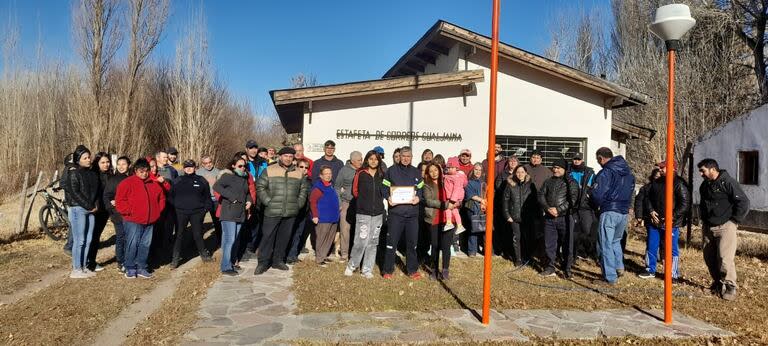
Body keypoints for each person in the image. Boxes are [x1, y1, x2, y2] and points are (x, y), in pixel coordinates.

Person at [698, 158, 750, 300]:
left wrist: (734, 221)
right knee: (709, 257)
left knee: (725, 258)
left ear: (713, 169)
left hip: (726, 226)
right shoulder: (705, 186)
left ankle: (730, 286)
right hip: (708, 226)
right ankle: (717, 284)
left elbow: (743, 202)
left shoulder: (728, 182)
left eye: (703, 171)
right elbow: (703, 204)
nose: (701, 174)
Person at [254, 147, 309, 275]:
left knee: (284, 237)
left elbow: (304, 190)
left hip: (290, 211)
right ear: (280, 157)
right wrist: (268, 202)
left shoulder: (298, 172)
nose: (288, 158)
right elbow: (260, 186)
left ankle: (277, 261)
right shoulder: (270, 170)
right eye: (286, 156)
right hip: (272, 211)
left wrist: (298, 204)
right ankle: (263, 262)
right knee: (267, 237)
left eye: (290, 156)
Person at [115, 158, 166, 279]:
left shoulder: (153, 184)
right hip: (132, 220)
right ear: (135, 170)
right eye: (141, 171)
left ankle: (142, 266)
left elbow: (161, 198)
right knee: (132, 244)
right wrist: (128, 212)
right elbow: (120, 200)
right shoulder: (127, 183)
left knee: (145, 244)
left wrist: (157, 212)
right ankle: (130, 267)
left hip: (150, 220)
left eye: (146, 171)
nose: (144, 173)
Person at [638, 160, 688, 281]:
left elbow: (685, 203)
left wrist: (672, 216)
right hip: (654, 222)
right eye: (660, 167)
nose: (660, 170)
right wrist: (650, 210)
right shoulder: (656, 183)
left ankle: (673, 274)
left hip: (671, 223)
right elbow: (647, 197)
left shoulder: (679, 183)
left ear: (672, 168)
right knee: (651, 245)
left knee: (671, 249)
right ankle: (650, 269)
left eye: (663, 168)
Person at [591, 148, 635, 284]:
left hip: (609, 210)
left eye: (598, 160)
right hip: (623, 212)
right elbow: (632, 191)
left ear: (601, 158)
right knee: (616, 241)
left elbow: (597, 194)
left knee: (605, 243)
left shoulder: (606, 172)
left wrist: (594, 203)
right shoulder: (628, 173)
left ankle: (609, 277)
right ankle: (619, 267)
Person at [382, 146, 424, 279]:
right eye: (403, 156)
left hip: (412, 215)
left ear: (411, 157)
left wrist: (419, 197)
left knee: (412, 244)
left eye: (408, 156)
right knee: (391, 243)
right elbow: (384, 187)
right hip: (396, 214)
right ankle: (388, 270)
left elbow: (421, 188)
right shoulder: (391, 171)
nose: (406, 159)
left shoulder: (416, 172)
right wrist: (388, 197)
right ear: (399, 157)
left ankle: (412, 270)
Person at [344, 151, 385, 279]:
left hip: (378, 214)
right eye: (371, 159)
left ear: (379, 161)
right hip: (363, 213)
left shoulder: (382, 175)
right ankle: (352, 265)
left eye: (376, 159)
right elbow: (355, 191)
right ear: (367, 160)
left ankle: (367, 269)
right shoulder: (360, 173)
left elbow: (385, 191)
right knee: (361, 241)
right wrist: (363, 202)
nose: (373, 161)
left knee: (373, 242)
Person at [537, 159, 579, 278]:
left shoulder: (571, 182)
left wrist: (559, 209)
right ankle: (550, 267)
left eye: (558, 168)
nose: (555, 170)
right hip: (549, 218)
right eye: (554, 167)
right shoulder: (548, 181)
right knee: (549, 244)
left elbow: (573, 200)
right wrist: (547, 208)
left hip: (565, 218)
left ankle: (567, 268)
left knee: (567, 244)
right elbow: (541, 195)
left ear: (564, 170)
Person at [64, 145, 100, 279]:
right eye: (85, 158)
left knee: (89, 239)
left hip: (91, 209)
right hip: (78, 209)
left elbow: (96, 192)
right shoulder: (73, 173)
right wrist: (88, 205)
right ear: (78, 160)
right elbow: (74, 192)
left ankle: (84, 267)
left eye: (89, 157)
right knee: (80, 240)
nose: (88, 159)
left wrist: (95, 205)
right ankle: (76, 269)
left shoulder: (92, 174)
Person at [170, 160, 213, 269]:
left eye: (191, 167)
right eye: (187, 167)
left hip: (197, 213)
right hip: (181, 213)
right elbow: (170, 197)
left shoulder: (201, 180)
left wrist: (204, 210)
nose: (189, 169)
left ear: (195, 168)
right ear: (183, 169)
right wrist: (177, 207)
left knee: (198, 234)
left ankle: (204, 256)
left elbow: (208, 198)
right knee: (179, 235)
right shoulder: (177, 181)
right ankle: (175, 259)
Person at [213, 157, 253, 276]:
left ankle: (231, 263)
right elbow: (216, 187)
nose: (243, 168)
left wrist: (249, 201)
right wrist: (232, 197)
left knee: (235, 240)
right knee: (229, 240)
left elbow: (247, 193)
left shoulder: (244, 178)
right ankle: (225, 267)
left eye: (244, 166)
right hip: (229, 212)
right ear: (233, 166)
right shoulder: (227, 176)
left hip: (240, 213)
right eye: (240, 166)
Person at [421, 162, 455, 279]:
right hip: (433, 218)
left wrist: (456, 202)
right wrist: (445, 204)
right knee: (435, 245)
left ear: (440, 171)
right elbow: (429, 201)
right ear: (427, 173)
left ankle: (445, 269)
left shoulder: (446, 181)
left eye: (436, 170)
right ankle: (434, 269)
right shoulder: (426, 185)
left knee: (446, 245)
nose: (434, 173)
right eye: (431, 171)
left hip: (448, 218)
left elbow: (456, 192)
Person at [503, 165, 537, 266]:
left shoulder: (531, 185)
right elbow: (505, 201)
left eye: (522, 172)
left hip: (527, 217)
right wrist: (507, 215)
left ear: (526, 173)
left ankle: (527, 257)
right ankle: (518, 259)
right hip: (514, 217)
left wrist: (534, 215)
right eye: (518, 172)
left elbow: (534, 201)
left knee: (527, 238)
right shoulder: (510, 185)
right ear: (514, 173)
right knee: (516, 238)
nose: (520, 174)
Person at [103, 156, 131, 272]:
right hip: (117, 214)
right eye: (119, 164)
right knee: (121, 237)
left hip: (130, 214)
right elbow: (106, 195)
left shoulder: (131, 178)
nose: (121, 167)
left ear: (129, 165)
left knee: (129, 237)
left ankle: (129, 258)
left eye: (123, 164)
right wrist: (111, 206)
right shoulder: (113, 180)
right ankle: (121, 261)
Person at [568, 152, 597, 260]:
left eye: (578, 159)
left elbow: (594, 187)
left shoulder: (589, 172)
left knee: (587, 230)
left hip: (586, 206)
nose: (576, 161)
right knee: (574, 231)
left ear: (582, 160)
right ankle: (577, 252)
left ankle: (588, 252)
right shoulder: (568, 171)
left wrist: (590, 197)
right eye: (575, 159)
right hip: (573, 206)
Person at [310, 166, 341, 266]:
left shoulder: (330, 185)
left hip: (333, 217)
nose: (328, 175)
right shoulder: (319, 187)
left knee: (329, 239)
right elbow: (313, 201)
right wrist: (315, 216)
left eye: (330, 173)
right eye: (326, 173)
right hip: (323, 218)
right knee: (322, 238)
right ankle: (319, 259)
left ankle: (324, 256)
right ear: (321, 175)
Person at [335, 151, 362, 261]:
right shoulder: (344, 171)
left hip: (360, 204)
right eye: (359, 160)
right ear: (352, 161)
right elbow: (337, 187)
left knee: (359, 230)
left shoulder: (363, 170)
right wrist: (339, 203)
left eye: (361, 159)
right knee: (345, 229)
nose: (361, 162)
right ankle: (344, 254)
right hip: (347, 203)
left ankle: (356, 254)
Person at [88, 151, 112, 272]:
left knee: (96, 236)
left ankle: (90, 261)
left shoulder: (109, 175)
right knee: (91, 237)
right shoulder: (92, 175)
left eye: (107, 162)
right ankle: (89, 262)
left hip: (105, 211)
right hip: (94, 210)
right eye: (102, 162)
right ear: (97, 163)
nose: (106, 165)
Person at [286, 158, 312, 264]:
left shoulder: (309, 182)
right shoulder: (291, 179)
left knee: (298, 234)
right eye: (301, 167)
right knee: (289, 233)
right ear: (296, 167)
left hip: (304, 212)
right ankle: (286, 255)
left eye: (306, 168)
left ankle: (293, 255)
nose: (304, 169)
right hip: (292, 211)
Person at [465, 163, 489, 257]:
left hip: (483, 207)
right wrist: (482, 200)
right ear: (472, 170)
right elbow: (470, 195)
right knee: (473, 229)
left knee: (483, 229)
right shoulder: (469, 182)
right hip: (472, 208)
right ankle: (472, 251)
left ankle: (485, 250)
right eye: (476, 169)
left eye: (480, 170)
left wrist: (485, 201)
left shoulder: (484, 182)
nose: (478, 171)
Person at [198, 155, 222, 238]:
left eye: (210, 162)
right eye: (206, 163)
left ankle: (220, 239)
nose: (208, 164)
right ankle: (197, 241)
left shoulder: (218, 172)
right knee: (199, 221)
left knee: (217, 221)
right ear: (202, 164)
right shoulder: (198, 173)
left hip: (215, 200)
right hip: (203, 200)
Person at [443, 157, 468, 233]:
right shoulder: (449, 176)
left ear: (456, 168)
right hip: (455, 197)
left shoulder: (456, 177)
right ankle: (460, 225)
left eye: (452, 168)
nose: (450, 169)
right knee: (455, 211)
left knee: (448, 209)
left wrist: (452, 200)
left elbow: (456, 189)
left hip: (453, 198)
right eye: (449, 168)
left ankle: (449, 222)